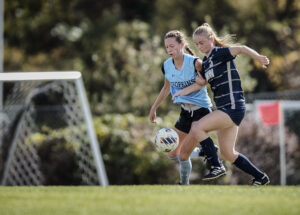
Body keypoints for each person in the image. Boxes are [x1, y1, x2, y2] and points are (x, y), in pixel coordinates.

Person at [172, 23, 270, 185]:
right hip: (226, 109)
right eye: (196, 44)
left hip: (233, 106)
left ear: (211, 39)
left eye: (202, 42)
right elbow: (201, 83)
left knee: (197, 128)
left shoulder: (220, 52)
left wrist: (258, 57)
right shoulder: (206, 61)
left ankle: (216, 165)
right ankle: (260, 177)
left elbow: (242, 48)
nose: (199, 46)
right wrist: (182, 92)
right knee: (228, 153)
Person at [149, 30, 225, 185]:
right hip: (185, 113)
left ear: (182, 45)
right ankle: (204, 151)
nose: (169, 50)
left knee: (183, 156)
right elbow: (165, 88)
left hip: (201, 111)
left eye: (172, 46)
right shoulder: (166, 66)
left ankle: (184, 184)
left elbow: (209, 80)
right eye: (167, 47)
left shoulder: (195, 63)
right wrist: (153, 108)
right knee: (172, 153)